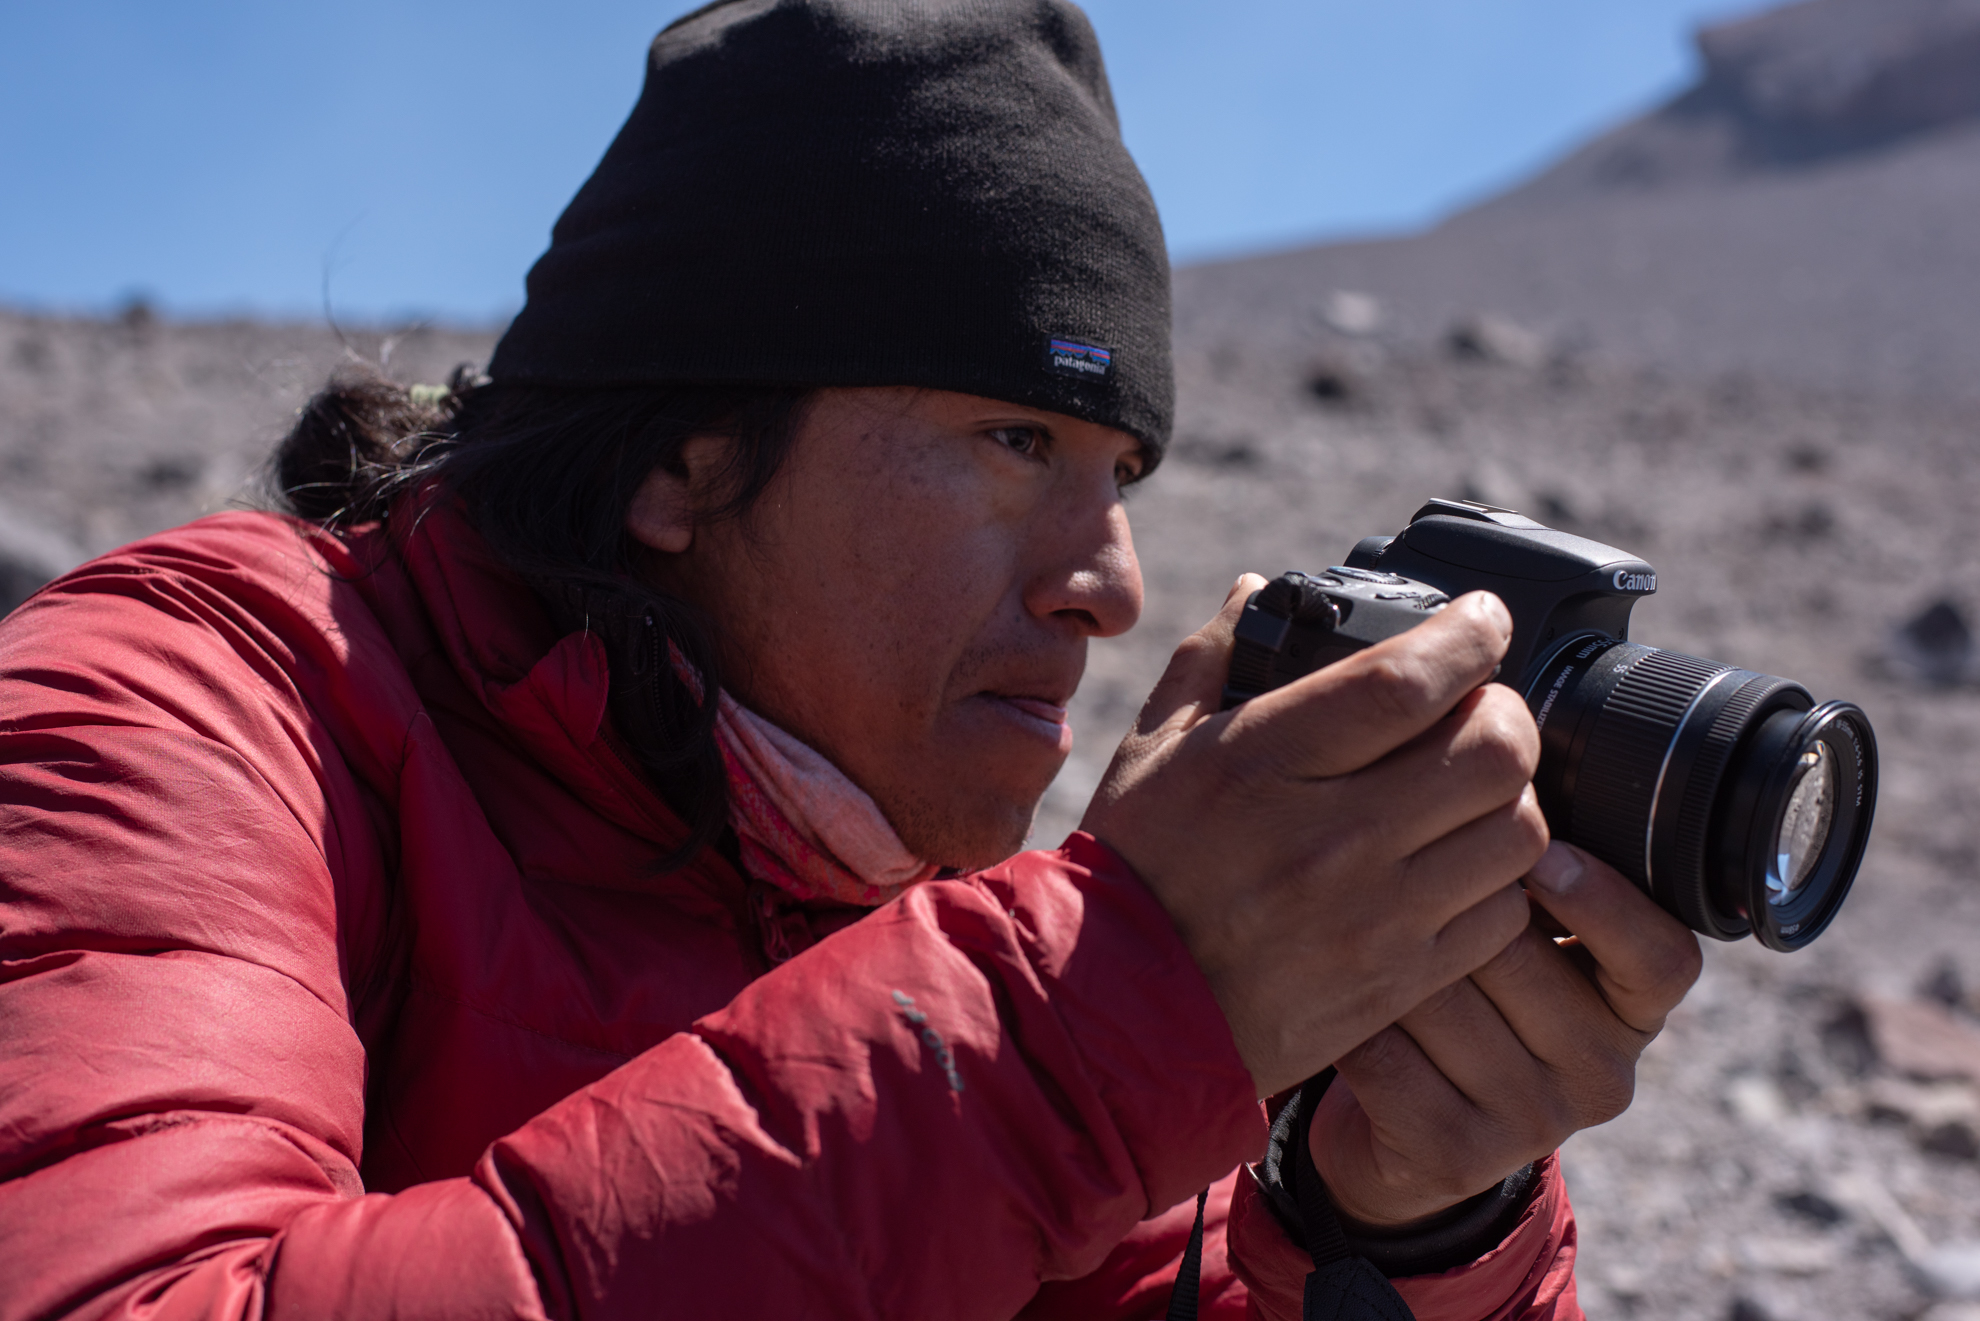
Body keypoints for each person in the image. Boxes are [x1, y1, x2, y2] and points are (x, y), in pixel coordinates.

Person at [0, 3, 1701, 1318]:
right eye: (1013, 439)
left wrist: (1400, 1223)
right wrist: (1086, 1014)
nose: (1110, 582)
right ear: (682, 458)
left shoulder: (891, 882)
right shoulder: (199, 696)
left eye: (1121, 476)